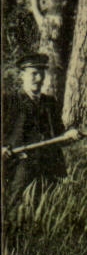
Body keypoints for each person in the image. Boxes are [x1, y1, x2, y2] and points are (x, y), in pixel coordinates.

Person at [3, 53, 67, 192]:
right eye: (33, 74)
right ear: (22, 75)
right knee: (18, 204)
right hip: (21, 162)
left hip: (51, 163)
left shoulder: (50, 103)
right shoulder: (9, 101)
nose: (38, 79)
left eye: (41, 74)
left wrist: (71, 133)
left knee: (55, 204)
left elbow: (60, 135)